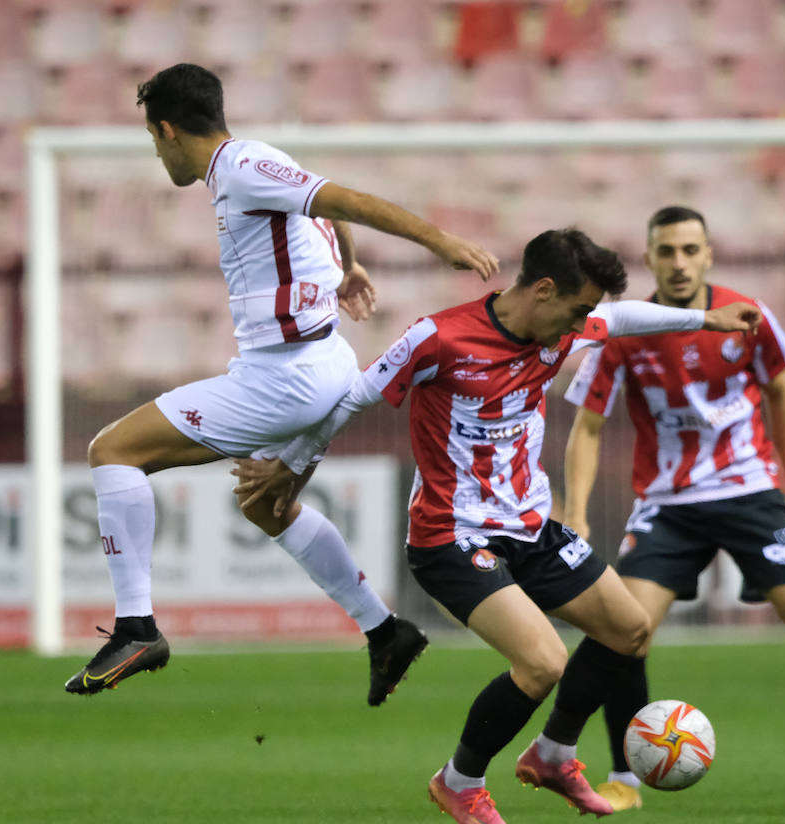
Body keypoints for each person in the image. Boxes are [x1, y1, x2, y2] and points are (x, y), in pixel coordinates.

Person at [234, 228, 761, 824]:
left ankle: (552, 754)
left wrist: (707, 318)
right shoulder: (440, 338)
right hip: (450, 534)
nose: (582, 323)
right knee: (542, 662)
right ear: (542, 290)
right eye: (575, 308)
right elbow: (354, 398)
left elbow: (617, 318)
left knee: (630, 629)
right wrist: (292, 467)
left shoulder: (559, 327)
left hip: (531, 526)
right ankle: (459, 781)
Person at [65, 63, 500, 704]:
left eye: (154, 141)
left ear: (167, 130)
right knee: (266, 505)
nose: (158, 154)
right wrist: (348, 264)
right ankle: (385, 631)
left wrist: (439, 242)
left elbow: (346, 199)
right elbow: (321, 203)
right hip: (324, 366)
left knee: (113, 450)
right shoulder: (259, 162)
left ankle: (136, 625)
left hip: (285, 378)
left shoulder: (240, 168)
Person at [561, 206, 785, 813]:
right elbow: (588, 427)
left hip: (750, 492)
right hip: (668, 503)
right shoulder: (625, 331)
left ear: (708, 255)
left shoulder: (746, 314)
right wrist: (575, 509)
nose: (678, 262)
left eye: (689, 250)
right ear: (650, 259)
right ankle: (624, 781)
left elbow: (781, 392)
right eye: (666, 252)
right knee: (625, 630)